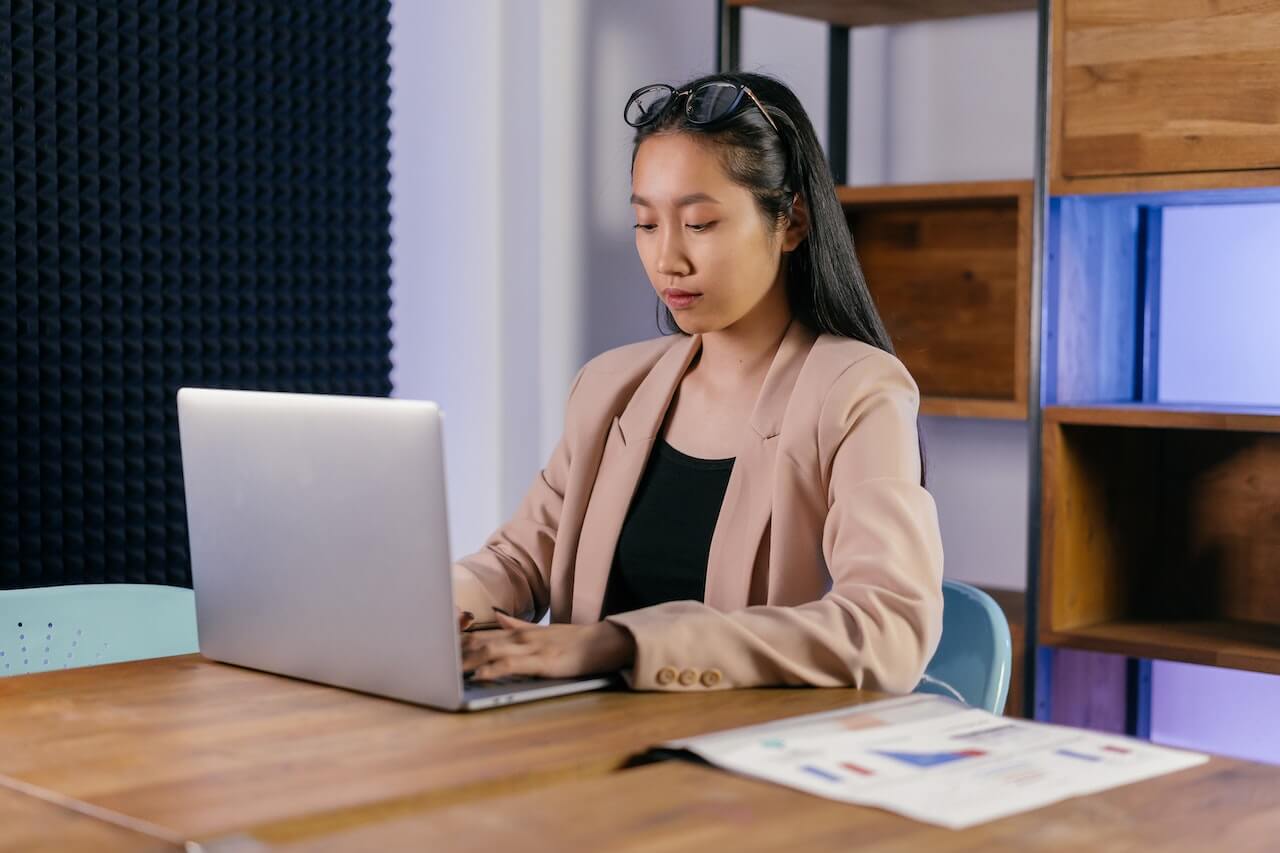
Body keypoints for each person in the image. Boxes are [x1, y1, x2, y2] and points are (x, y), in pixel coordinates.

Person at [455, 71, 943, 693]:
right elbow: (517, 563)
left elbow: (888, 631)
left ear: (791, 221)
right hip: (581, 745)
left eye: (701, 224)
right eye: (647, 224)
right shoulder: (610, 388)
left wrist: (619, 643)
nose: (668, 260)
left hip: (745, 759)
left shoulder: (857, 392)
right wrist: (431, 608)